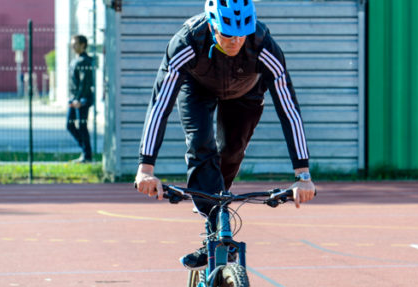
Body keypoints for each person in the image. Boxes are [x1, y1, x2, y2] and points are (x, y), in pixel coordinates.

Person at [134, 0, 316, 269]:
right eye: (228, 33)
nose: (236, 41)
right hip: (197, 89)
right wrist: (145, 167)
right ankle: (215, 232)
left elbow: (288, 108)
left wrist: (303, 175)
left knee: (232, 151)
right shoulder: (187, 42)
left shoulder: (264, 46)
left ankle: (214, 211)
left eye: (243, 33)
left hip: (246, 92)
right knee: (201, 147)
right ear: (212, 24)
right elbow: (160, 104)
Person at [67, 34, 94, 162]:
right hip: (73, 99)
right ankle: (85, 151)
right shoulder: (75, 60)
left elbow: (85, 83)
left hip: (81, 100)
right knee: (69, 125)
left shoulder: (85, 61)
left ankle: (87, 155)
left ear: (83, 45)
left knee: (82, 126)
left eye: (75, 44)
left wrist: (78, 99)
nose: (73, 46)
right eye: (72, 44)